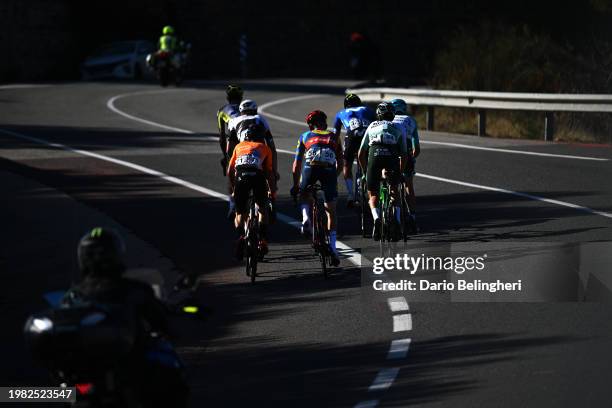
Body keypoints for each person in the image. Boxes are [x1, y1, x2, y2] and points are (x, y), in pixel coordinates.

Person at [62, 227, 188, 407]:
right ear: (116, 255)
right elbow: (163, 322)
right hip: (127, 371)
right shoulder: (134, 290)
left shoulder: (72, 296)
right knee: (170, 375)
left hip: (86, 377)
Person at [291, 110, 343, 266]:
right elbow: (340, 163)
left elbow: (297, 164)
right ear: (325, 123)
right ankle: (333, 248)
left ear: (310, 125)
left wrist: (296, 186)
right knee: (331, 210)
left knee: (304, 192)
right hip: (328, 170)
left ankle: (306, 218)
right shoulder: (334, 137)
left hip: (310, 168)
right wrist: (334, 176)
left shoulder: (305, 136)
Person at [358, 102, 408, 241]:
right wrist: (400, 173)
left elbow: (361, 153)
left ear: (378, 114)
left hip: (374, 154)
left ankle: (376, 218)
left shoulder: (372, 125)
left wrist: (364, 172)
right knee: (394, 189)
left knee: (372, 192)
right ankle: (396, 220)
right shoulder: (399, 126)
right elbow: (404, 154)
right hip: (391, 155)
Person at [227, 125, 276, 258]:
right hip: (257, 178)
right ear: (260, 137)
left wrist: (233, 188)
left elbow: (230, 170)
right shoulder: (264, 148)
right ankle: (263, 240)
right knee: (262, 209)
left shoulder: (238, 147)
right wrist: (272, 192)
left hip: (241, 177)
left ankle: (240, 237)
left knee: (240, 212)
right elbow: (269, 173)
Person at [227, 99, 279, 220]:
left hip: (241, 151)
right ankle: (271, 201)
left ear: (241, 111)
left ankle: (233, 203)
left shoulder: (233, 120)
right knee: (269, 174)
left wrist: (232, 160)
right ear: (255, 110)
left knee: (233, 175)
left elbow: (229, 148)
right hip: (260, 152)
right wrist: (274, 171)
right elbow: (272, 147)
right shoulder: (260, 119)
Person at [333, 93, 375, 208]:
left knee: (347, 165)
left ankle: (351, 195)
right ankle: (368, 183)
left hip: (352, 136)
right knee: (369, 163)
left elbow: (335, 136)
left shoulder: (341, 113)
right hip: (367, 135)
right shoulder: (368, 109)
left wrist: (335, 150)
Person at [390, 98, 420, 232]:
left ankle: (393, 217)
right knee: (409, 185)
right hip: (406, 154)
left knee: (392, 184)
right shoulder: (411, 120)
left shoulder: (387, 119)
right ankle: (412, 217)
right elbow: (416, 149)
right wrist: (411, 158)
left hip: (390, 153)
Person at [217, 84, 244, 217]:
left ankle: (232, 204)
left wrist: (225, 156)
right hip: (250, 139)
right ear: (241, 97)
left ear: (227, 98)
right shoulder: (246, 108)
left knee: (231, 170)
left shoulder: (222, 111)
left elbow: (222, 137)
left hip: (233, 141)